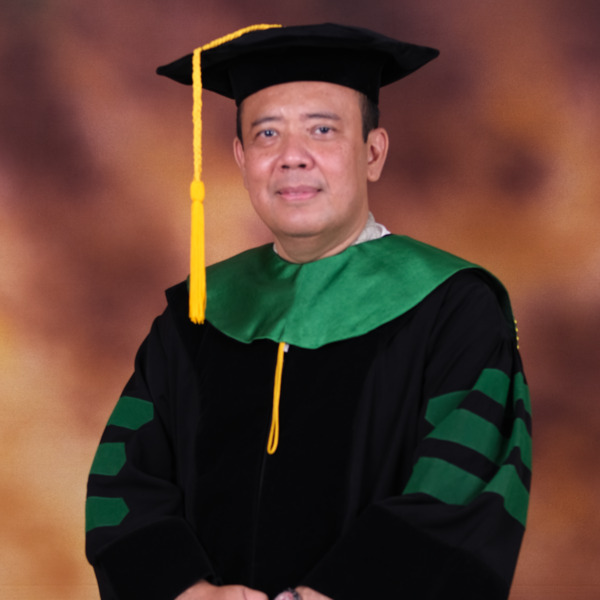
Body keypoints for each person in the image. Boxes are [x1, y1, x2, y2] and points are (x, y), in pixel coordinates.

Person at [85, 23, 532, 600]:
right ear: (241, 158)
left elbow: (462, 489)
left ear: (373, 153)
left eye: (322, 130)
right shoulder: (195, 317)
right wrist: (191, 592)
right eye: (267, 134)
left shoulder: (454, 308)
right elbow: (126, 483)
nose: (291, 158)